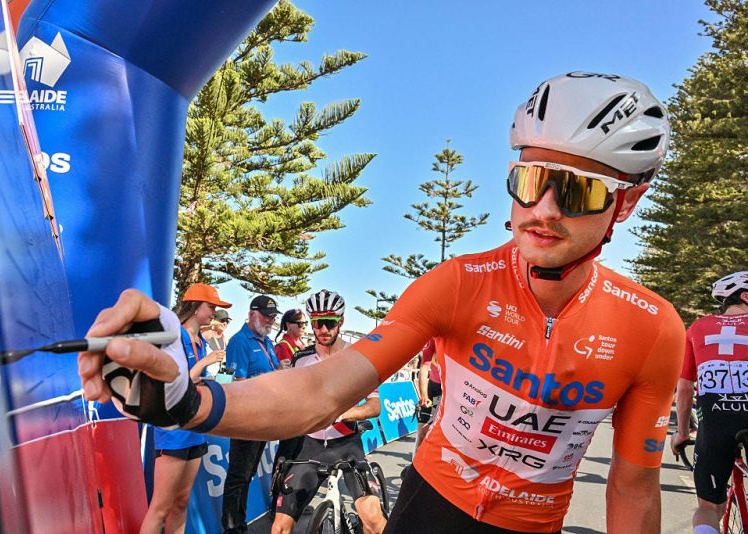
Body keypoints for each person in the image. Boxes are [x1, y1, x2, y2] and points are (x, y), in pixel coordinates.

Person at [79, 72, 686, 534]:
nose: (544, 209)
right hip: (431, 507)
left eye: (577, 191)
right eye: (530, 181)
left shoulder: (652, 328)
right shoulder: (458, 284)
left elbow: (633, 487)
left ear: (625, 203)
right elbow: (322, 391)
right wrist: (189, 400)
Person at [272, 290, 386, 534]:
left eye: (330, 322)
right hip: (310, 447)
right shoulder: (300, 359)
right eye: (317, 323)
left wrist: (342, 414)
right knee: (279, 527)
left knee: (375, 522)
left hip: (347, 445)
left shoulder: (359, 358)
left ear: (341, 321)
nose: (323, 329)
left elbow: (375, 406)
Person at [142, 283, 231, 534]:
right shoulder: (174, 336)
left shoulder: (200, 340)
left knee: (182, 502)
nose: (214, 312)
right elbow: (175, 382)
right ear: (195, 308)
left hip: (195, 428)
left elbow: (196, 381)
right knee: (160, 508)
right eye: (211, 307)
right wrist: (205, 362)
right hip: (173, 431)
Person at [671, 271, 748, 534]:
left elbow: (685, 387)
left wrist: (682, 433)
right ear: (745, 296)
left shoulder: (698, 327)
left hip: (715, 420)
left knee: (708, 506)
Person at [221, 295, 280, 534]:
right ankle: (232, 528)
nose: (270, 320)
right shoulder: (240, 341)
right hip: (247, 419)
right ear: (252, 314)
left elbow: (273, 371)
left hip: (263, 418)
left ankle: (239, 524)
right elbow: (237, 383)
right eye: (266, 316)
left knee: (247, 475)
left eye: (273, 317)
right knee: (238, 476)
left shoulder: (267, 341)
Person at [413, 338, 442, 452]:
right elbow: (424, 368)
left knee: (437, 434)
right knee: (421, 433)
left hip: (449, 389)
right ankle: (415, 461)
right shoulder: (432, 340)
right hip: (433, 386)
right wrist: (424, 396)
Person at [200, 309, 230, 377]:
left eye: (227, 321)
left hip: (220, 376)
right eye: (222, 320)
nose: (225, 323)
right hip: (206, 376)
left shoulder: (225, 338)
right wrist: (214, 322)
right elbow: (198, 326)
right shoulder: (207, 333)